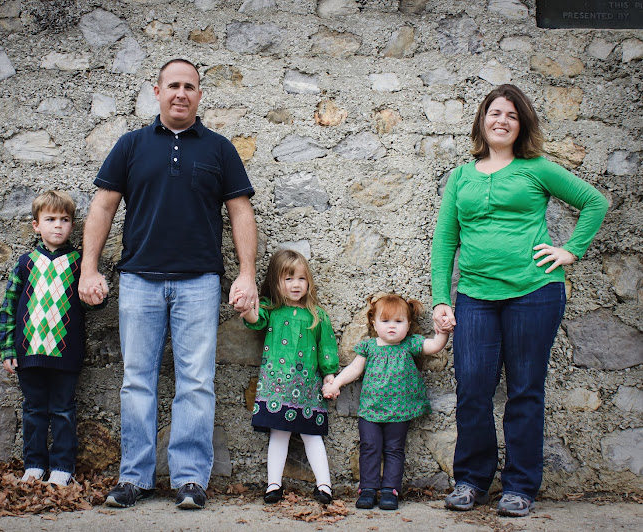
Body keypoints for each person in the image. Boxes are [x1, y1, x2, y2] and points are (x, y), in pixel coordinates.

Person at [78, 58, 258, 510]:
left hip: (199, 281)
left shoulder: (219, 149)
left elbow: (240, 211)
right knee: (136, 381)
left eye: (190, 87)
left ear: (200, 95)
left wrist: (248, 273)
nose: (181, 93)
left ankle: (190, 480)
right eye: (173, 85)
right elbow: (102, 208)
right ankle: (134, 478)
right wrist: (89, 268)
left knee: (196, 382)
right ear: (156, 90)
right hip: (139, 280)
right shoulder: (131, 145)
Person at [431, 84, 608, 517]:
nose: (502, 120)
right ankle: (471, 480)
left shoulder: (537, 169)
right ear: (482, 120)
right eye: (495, 113)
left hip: (534, 293)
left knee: (526, 391)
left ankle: (520, 486)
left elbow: (594, 202)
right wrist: (440, 297)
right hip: (474, 295)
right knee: (473, 389)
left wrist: (571, 250)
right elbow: (444, 241)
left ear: (521, 124)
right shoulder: (461, 176)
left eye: (511, 114)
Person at [0, 190, 106, 486]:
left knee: (63, 410)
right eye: (50, 219)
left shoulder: (79, 263)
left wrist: (97, 296)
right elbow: (8, 307)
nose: (58, 225)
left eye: (65, 219)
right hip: (28, 352)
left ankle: (62, 467)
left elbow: (89, 301)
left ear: (72, 225)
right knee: (33, 410)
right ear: (36, 225)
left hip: (65, 353)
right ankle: (33, 464)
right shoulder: (25, 263)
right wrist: (8, 348)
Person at [322, 293, 448, 510]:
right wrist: (336, 384)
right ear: (374, 322)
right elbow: (354, 369)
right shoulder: (369, 347)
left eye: (399, 322)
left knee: (394, 449)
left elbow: (434, 346)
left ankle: (391, 489)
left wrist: (443, 333)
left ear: (408, 325)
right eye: (385, 321)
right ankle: (368, 488)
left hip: (400, 410)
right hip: (371, 410)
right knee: (369, 447)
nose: (392, 327)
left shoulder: (410, 345)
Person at [235, 249, 339, 504]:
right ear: (276, 281)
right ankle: (273, 485)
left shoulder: (318, 315)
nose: (295, 285)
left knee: (312, 435)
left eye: (301, 279)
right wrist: (246, 308)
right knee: (278, 434)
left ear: (309, 282)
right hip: (277, 386)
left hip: (307, 386)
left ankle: (324, 486)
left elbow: (327, 348)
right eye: (288, 278)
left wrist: (329, 375)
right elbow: (255, 320)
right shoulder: (271, 310)